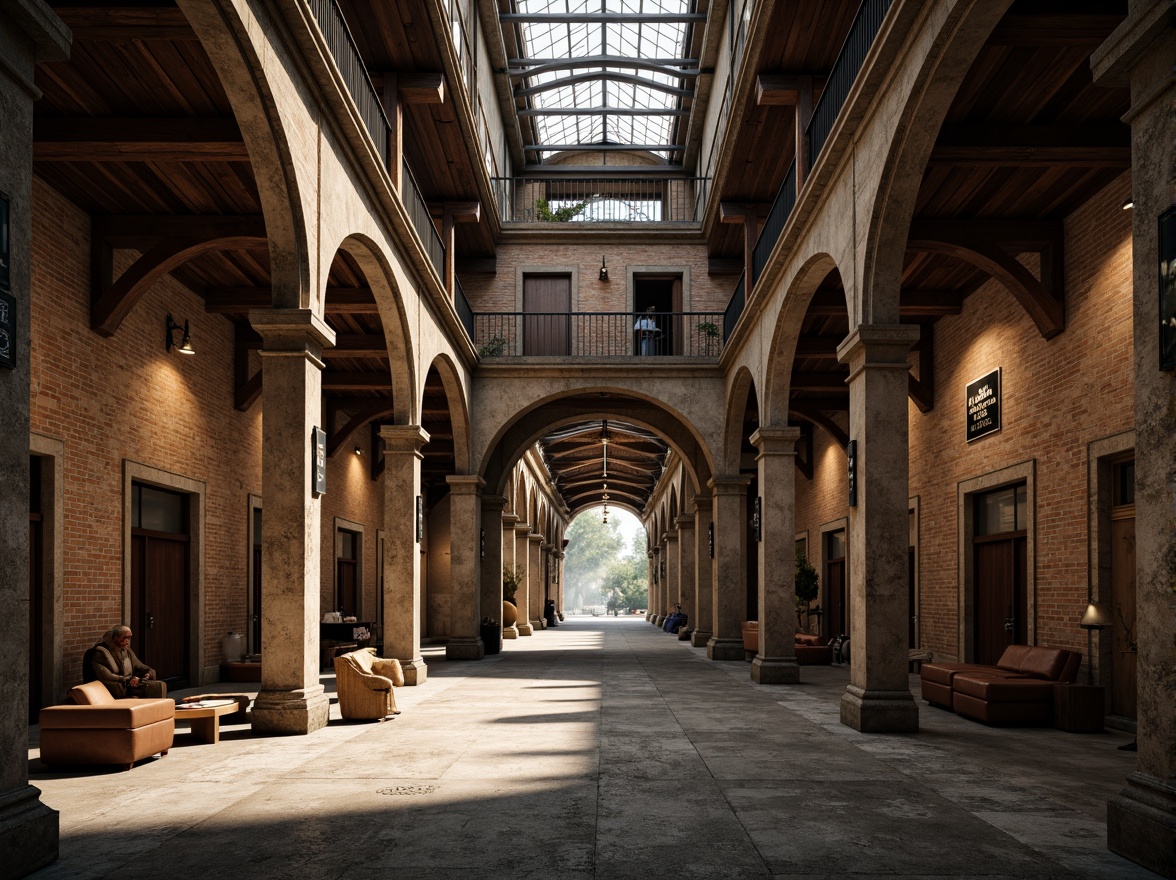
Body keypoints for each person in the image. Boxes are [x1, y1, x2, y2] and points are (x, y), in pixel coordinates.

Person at [88, 625, 168, 699]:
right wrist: (128, 680)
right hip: (114, 686)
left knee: (160, 685)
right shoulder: (100, 652)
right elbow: (105, 676)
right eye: (124, 638)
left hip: (128, 683)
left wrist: (147, 673)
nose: (127, 641)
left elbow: (139, 666)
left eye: (129, 638)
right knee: (156, 688)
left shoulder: (126, 650)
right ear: (114, 638)